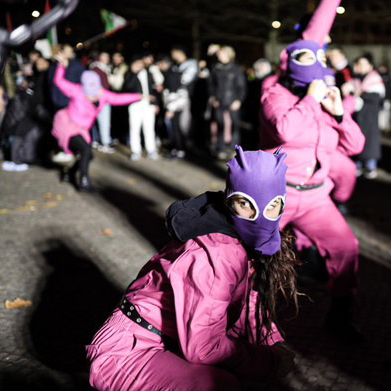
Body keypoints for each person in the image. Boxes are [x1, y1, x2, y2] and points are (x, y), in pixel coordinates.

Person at [87, 147, 298, 390]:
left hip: (166, 340)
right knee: (218, 385)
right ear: (230, 201)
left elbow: (246, 302)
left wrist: (271, 342)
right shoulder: (218, 253)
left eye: (272, 205)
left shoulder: (238, 239)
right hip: (127, 353)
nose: (259, 216)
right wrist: (268, 363)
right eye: (245, 203)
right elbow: (204, 347)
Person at [260, 39, 365, 341]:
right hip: (275, 195)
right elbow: (283, 129)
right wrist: (310, 99)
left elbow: (355, 145)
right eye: (306, 57)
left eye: (319, 57)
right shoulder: (275, 95)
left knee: (346, 248)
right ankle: (240, 319)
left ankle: (341, 315)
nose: (315, 63)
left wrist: (339, 114)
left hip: (316, 195)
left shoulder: (323, 98)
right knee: (252, 258)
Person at [51, 52, 142, 192]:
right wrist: (61, 67)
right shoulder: (76, 91)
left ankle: (69, 173)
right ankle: (83, 182)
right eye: (89, 92)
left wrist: (138, 96)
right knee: (86, 151)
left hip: (82, 129)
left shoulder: (102, 94)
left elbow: (118, 98)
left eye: (94, 91)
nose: (92, 95)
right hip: (68, 125)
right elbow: (59, 81)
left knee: (88, 155)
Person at [350, 53, 386, 179]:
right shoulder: (356, 79)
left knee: (370, 142)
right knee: (356, 139)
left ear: (371, 66)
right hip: (358, 118)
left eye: (363, 64)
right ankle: (358, 164)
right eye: (358, 64)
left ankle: (370, 166)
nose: (360, 67)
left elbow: (376, 98)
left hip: (370, 118)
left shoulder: (375, 80)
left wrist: (360, 94)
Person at [208, 46, 246, 159]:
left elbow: (241, 86)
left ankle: (234, 149)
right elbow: (211, 85)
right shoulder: (215, 68)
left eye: (221, 54)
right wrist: (213, 98)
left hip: (232, 101)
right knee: (220, 125)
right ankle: (220, 148)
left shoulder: (235, 69)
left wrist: (239, 100)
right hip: (219, 101)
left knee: (234, 126)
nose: (219, 56)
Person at [123, 56, 159, 161]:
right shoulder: (129, 74)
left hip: (148, 105)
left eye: (140, 64)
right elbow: (127, 87)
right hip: (135, 105)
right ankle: (136, 151)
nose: (139, 66)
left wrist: (155, 103)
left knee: (149, 129)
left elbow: (154, 89)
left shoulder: (148, 73)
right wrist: (134, 73)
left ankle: (151, 150)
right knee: (134, 129)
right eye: (137, 64)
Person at [90, 52, 114, 153]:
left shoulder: (105, 68)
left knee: (98, 121)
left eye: (107, 56)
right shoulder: (96, 69)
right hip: (101, 99)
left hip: (104, 98)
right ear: (99, 57)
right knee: (104, 121)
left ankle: (96, 140)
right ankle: (105, 143)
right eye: (104, 56)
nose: (107, 58)